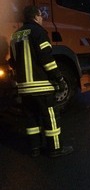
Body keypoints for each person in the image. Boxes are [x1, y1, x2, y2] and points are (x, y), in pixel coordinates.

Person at [9, 5, 73, 157]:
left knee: (31, 119)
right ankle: (55, 149)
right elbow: (46, 59)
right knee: (50, 118)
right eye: (41, 16)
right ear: (36, 16)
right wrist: (59, 77)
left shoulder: (15, 35)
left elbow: (13, 62)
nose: (42, 18)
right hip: (41, 86)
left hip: (24, 88)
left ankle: (35, 148)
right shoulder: (39, 32)